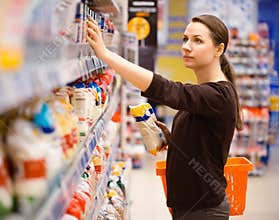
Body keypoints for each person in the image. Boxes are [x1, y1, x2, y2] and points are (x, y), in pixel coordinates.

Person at [86, 14, 243, 220]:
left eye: (198, 40)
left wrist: (106, 55)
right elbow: (205, 140)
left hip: (203, 210)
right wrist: (173, 139)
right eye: (185, 39)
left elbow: (166, 89)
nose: (187, 46)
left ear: (218, 49)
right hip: (189, 206)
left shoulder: (219, 95)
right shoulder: (207, 92)